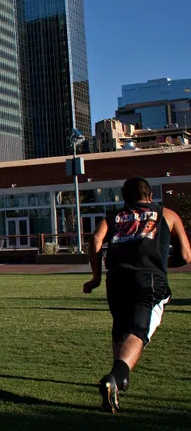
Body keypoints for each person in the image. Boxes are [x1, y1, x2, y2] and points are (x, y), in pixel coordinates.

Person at [84, 177, 190, 413]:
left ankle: (118, 383)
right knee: (139, 332)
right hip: (149, 279)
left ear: (125, 198)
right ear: (150, 196)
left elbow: (95, 240)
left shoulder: (113, 218)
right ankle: (116, 377)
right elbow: (186, 255)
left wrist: (96, 278)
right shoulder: (168, 215)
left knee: (120, 329)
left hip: (117, 279)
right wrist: (162, 262)